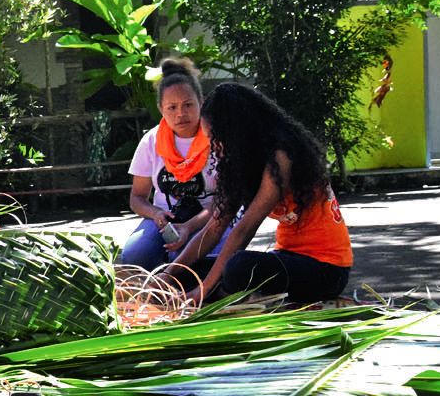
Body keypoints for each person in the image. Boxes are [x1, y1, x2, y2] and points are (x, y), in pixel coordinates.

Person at [169, 82, 353, 304]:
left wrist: (204, 289)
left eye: (217, 139)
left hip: (326, 270)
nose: (214, 148)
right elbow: (213, 228)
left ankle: (219, 297)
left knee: (239, 267)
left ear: (236, 133)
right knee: (192, 271)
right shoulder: (243, 162)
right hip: (287, 258)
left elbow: (244, 230)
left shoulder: (282, 157)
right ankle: (220, 293)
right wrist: (166, 275)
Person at [120, 58, 225, 271]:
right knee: (134, 255)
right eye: (172, 107)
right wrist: (155, 214)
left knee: (197, 260)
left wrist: (189, 226)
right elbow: (137, 197)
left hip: (212, 219)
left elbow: (227, 200)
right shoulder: (151, 141)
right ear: (161, 109)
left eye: (188, 105)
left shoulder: (219, 139)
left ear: (201, 102)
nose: (180, 113)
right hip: (164, 222)